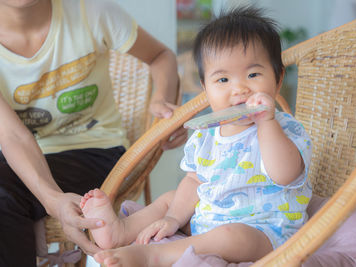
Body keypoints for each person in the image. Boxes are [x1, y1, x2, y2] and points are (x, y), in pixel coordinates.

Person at [81, 6, 313, 267]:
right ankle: (119, 231)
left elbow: (286, 174)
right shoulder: (207, 135)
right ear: (206, 89)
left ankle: (153, 255)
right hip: (208, 220)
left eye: (253, 74)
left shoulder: (286, 128)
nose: (239, 88)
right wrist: (173, 218)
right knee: (171, 199)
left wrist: (267, 122)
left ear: (278, 79)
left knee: (229, 236)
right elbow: (194, 182)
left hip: (264, 232)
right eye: (223, 79)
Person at [0, 0, 186, 266]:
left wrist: (162, 101)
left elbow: (161, 56)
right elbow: (12, 136)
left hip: (95, 150)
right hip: (18, 157)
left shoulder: (91, 12)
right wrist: (53, 200)